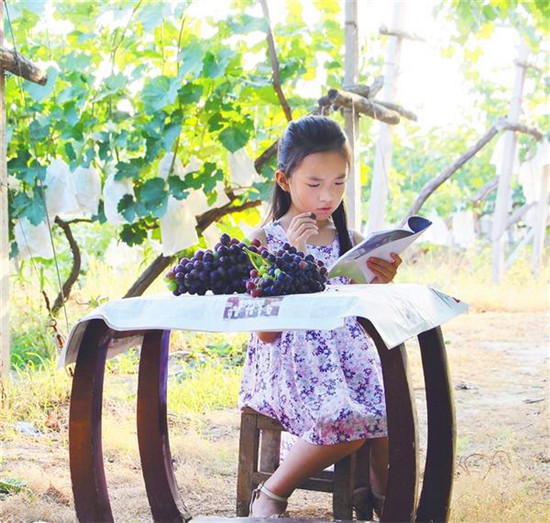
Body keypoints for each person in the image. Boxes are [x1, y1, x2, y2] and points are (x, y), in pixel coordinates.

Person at [238, 115, 402, 517]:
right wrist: (292, 258)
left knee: (389, 415)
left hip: (350, 363)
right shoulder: (263, 241)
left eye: (339, 182)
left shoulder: (351, 242)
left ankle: (384, 500)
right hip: (289, 366)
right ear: (283, 180)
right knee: (346, 423)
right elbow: (265, 333)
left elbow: (361, 320)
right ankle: (272, 493)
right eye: (314, 184)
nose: (328, 195)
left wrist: (378, 282)